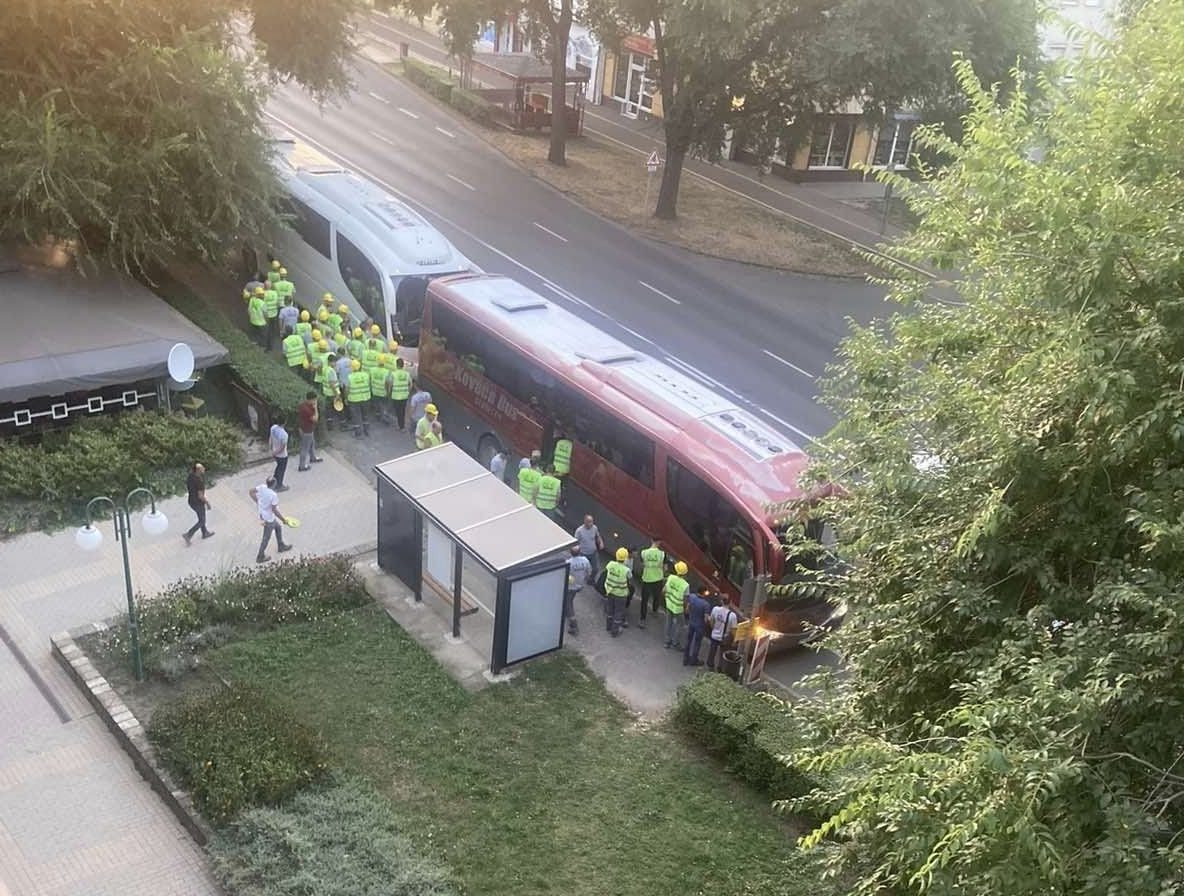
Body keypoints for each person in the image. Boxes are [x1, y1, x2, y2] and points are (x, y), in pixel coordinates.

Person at [250, 476, 293, 563]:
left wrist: (258, 501)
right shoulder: (273, 495)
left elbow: (251, 492)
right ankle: (260, 556)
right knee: (266, 538)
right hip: (269, 518)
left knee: (278, 528)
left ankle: (281, 545)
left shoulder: (262, 487)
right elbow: (274, 510)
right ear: (274, 484)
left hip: (263, 515)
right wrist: (283, 519)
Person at [706, 593, 740, 672]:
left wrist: (714, 629)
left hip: (714, 635)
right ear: (730, 602)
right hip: (724, 638)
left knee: (712, 651)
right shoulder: (732, 615)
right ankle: (720, 668)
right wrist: (735, 640)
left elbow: (711, 621)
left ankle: (710, 665)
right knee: (722, 653)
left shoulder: (715, 609)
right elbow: (734, 629)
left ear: (721, 601)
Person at [638, 536, 667, 629]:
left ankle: (642, 620)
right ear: (659, 542)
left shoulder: (644, 552)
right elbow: (665, 568)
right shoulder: (662, 554)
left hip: (646, 578)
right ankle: (654, 611)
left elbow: (642, 564)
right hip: (658, 579)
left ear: (651, 541)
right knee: (656, 597)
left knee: (644, 600)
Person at [602, 547, 632, 637]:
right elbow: (630, 579)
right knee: (618, 612)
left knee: (610, 610)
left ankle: (608, 626)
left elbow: (607, 571)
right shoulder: (626, 570)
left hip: (610, 591)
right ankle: (615, 631)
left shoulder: (610, 564)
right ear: (626, 558)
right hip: (621, 594)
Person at [182, 462, 214, 544]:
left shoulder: (190, 476)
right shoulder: (199, 481)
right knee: (202, 521)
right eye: (202, 468)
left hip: (191, 501)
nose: (204, 469)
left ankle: (205, 533)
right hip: (198, 503)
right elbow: (200, 496)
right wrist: (207, 503)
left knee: (201, 518)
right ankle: (188, 535)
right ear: (198, 470)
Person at [663, 561, 691, 650]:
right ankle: (675, 642)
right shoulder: (685, 585)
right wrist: (686, 608)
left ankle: (667, 641)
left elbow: (664, 591)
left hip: (669, 604)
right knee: (680, 624)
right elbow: (685, 600)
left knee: (669, 622)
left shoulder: (671, 578)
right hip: (678, 608)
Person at [564, 545, 590, 636]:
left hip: (570, 587)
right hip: (579, 585)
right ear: (580, 551)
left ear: (570, 552)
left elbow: (565, 575)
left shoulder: (568, 563)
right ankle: (568, 614)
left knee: (568, 604)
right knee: (570, 600)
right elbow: (588, 572)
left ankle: (574, 625)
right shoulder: (585, 560)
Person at [683, 587, 713, 666]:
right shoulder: (706, 604)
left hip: (691, 622)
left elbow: (687, 609)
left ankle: (685, 658)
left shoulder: (692, 597)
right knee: (697, 643)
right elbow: (706, 619)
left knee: (689, 640)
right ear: (704, 593)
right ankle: (694, 660)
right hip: (700, 626)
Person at [296, 391, 323, 471]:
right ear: (311, 399)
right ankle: (302, 466)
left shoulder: (303, 405)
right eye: (315, 400)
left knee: (311, 443)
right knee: (305, 448)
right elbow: (315, 419)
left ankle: (313, 457)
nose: (315, 401)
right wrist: (315, 408)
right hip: (307, 430)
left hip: (303, 428)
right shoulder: (307, 409)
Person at [346, 359, 372, 438]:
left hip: (354, 400)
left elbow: (347, 389)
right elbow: (369, 385)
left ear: (352, 368)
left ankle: (358, 434)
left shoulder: (349, 377)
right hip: (366, 398)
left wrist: (346, 398)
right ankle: (367, 431)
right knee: (366, 416)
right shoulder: (366, 375)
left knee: (356, 417)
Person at [574, 515, 603, 581]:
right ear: (585, 522)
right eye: (589, 522)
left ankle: (591, 580)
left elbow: (597, 536)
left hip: (593, 553)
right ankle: (581, 580)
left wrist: (601, 542)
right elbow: (575, 542)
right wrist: (576, 552)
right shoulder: (579, 531)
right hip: (583, 553)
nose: (591, 524)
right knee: (583, 569)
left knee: (596, 569)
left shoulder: (594, 528)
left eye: (592, 522)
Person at [389, 357, 412, 430]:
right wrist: (408, 391)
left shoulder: (393, 374)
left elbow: (390, 384)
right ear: (403, 365)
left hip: (396, 396)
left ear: (397, 365)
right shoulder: (407, 374)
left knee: (398, 411)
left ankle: (400, 426)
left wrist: (389, 392)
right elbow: (410, 384)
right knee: (402, 411)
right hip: (404, 396)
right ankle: (402, 426)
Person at [268, 414, 290, 491]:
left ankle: (274, 481)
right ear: (285, 422)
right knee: (281, 470)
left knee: (278, 468)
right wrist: (276, 453)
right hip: (282, 455)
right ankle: (279, 486)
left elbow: (270, 438)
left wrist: (271, 450)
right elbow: (282, 448)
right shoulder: (284, 434)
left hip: (275, 452)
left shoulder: (273, 428)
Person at [262, 280, 281, 351]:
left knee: (267, 331)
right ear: (270, 286)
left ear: (264, 286)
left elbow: (262, 307)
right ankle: (271, 345)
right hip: (274, 315)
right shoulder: (275, 293)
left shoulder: (263, 294)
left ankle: (267, 347)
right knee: (272, 330)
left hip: (267, 316)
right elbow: (278, 304)